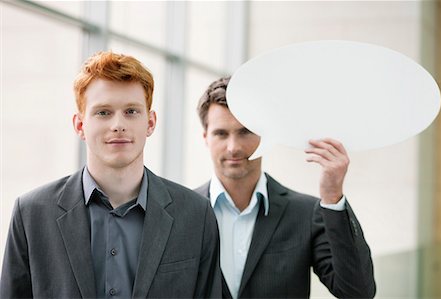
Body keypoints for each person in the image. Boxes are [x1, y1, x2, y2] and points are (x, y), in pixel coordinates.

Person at [0, 51, 221, 298]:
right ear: (80, 125)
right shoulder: (31, 213)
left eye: (131, 111)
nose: (118, 124)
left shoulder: (195, 215)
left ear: (150, 123)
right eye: (103, 112)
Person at [195, 76, 376, 298]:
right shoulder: (183, 214)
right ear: (206, 138)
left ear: (264, 136)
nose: (234, 147)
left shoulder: (305, 213)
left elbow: (357, 292)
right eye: (221, 134)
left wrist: (332, 195)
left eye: (245, 132)